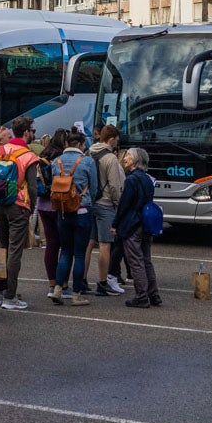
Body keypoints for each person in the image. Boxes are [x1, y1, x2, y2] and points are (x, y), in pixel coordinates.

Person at [0, 115, 42, 310]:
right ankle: (10, 296)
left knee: (2, 248)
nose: (33, 135)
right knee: (14, 251)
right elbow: (33, 188)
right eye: (33, 131)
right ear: (26, 132)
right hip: (19, 204)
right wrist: (31, 208)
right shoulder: (28, 155)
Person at [48, 131, 98, 306]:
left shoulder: (57, 162)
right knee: (79, 253)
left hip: (62, 210)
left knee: (66, 252)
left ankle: (57, 289)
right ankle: (77, 294)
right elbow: (94, 187)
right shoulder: (87, 162)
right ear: (79, 145)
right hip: (82, 209)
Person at [113, 147, 160, 309]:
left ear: (134, 160)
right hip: (146, 223)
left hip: (133, 224)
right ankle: (153, 294)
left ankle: (141, 296)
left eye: (127, 156)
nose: (124, 158)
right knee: (146, 260)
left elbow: (124, 205)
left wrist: (115, 224)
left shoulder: (131, 180)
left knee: (136, 261)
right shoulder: (147, 179)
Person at [86, 124, 127, 297]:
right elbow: (115, 186)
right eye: (116, 141)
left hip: (90, 202)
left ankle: (81, 279)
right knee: (105, 244)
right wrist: (119, 205)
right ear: (111, 140)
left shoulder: (89, 152)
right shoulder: (110, 158)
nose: (117, 144)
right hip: (106, 203)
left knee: (88, 243)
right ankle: (102, 283)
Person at [35, 129, 68, 284]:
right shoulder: (61, 159)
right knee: (65, 245)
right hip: (57, 203)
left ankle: (52, 281)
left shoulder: (43, 156)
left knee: (51, 244)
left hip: (42, 203)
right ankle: (62, 282)